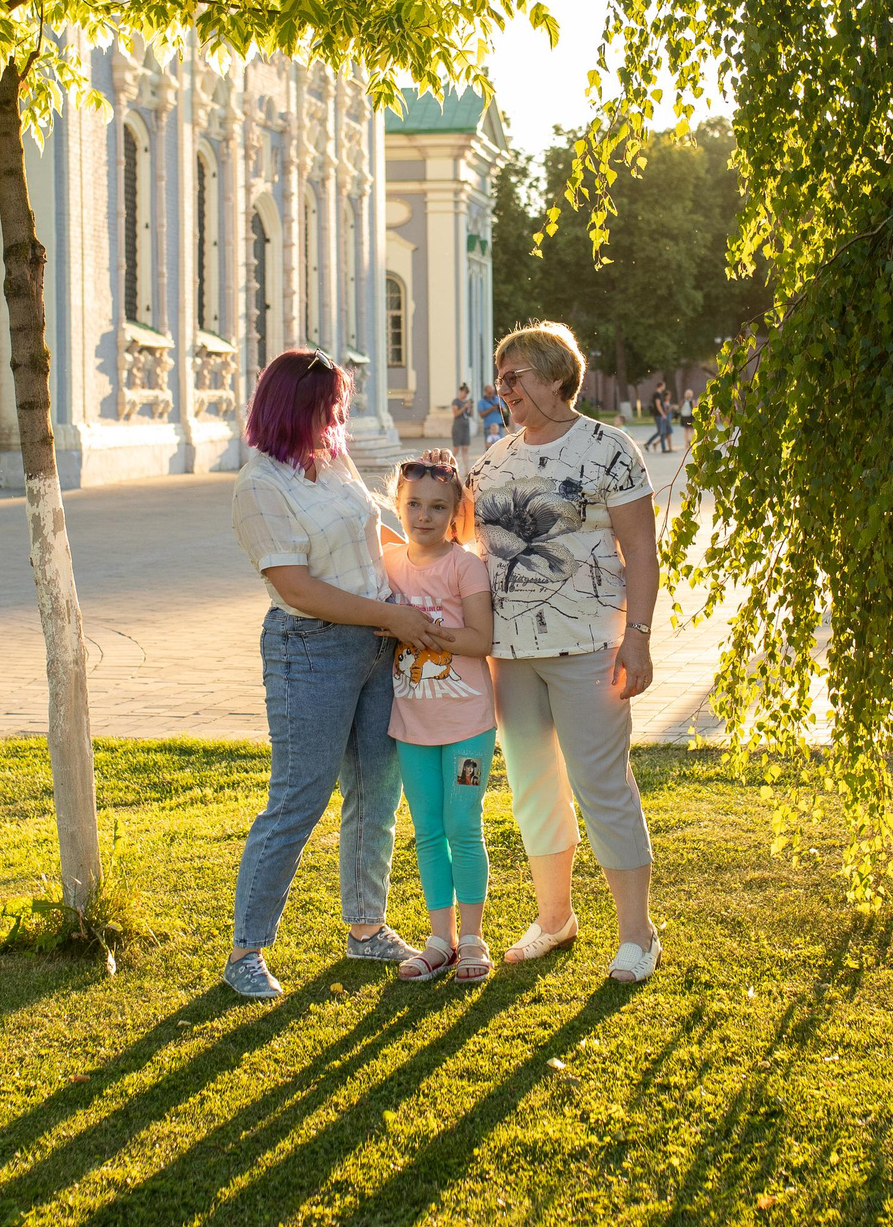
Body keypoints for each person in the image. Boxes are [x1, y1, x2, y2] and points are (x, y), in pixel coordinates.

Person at [224, 349, 443, 1000]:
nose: (337, 417)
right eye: (328, 407)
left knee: (378, 790)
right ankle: (245, 950)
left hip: (378, 646)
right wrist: (389, 615)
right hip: (310, 651)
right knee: (299, 798)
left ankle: (366, 927)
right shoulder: (259, 485)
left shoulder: (331, 458)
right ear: (294, 408)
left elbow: (373, 529)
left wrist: (441, 565)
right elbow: (298, 588)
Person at [469, 321, 665, 983]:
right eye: (500, 379)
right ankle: (555, 918)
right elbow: (479, 555)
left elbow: (641, 549)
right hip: (510, 655)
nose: (504, 389)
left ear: (557, 376)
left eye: (515, 376)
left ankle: (638, 934)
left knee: (602, 784)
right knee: (532, 787)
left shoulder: (611, 449)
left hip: (589, 648)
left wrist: (637, 634)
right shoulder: (490, 461)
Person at [379, 450, 499, 982]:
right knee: (427, 830)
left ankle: (473, 940)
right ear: (398, 506)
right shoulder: (389, 562)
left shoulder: (465, 565)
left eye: (436, 507)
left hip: (468, 725)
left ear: (455, 514)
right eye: (413, 504)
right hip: (412, 728)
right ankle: (439, 939)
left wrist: (419, 631)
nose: (422, 516)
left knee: (462, 825)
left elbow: (480, 639)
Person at [649, 382, 675, 455]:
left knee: (663, 432)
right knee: (660, 432)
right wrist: (663, 414)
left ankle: (663, 448)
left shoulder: (659, 394)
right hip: (659, 415)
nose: (664, 387)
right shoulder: (657, 394)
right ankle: (648, 443)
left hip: (660, 415)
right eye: (664, 386)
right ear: (661, 386)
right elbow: (658, 405)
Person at [450, 381, 475, 452]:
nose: (465, 395)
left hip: (466, 427)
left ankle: (466, 463)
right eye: (464, 393)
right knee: (456, 448)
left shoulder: (466, 401)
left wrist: (471, 407)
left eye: (467, 394)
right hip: (458, 427)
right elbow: (456, 414)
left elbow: (470, 415)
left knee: (465, 448)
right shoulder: (456, 401)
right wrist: (464, 407)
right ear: (460, 392)